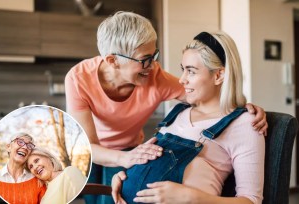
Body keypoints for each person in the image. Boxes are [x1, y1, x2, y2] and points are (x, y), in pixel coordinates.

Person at [64, 11, 267, 204]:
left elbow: (210, 98)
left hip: (130, 148)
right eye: (145, 60)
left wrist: (243, 107)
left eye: (154, 56)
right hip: (92, 149)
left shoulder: (156, 78)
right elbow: (88, 146)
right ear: (112, 61)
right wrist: (124, 167)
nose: (152, 66)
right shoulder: (79, 78)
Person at [112, 31, 265, 204]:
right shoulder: (177, 113)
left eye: (191, 71)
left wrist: (190, 197)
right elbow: (147, 160)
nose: (182, 80)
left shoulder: (245, 124)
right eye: (183, 70)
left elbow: (252, 201)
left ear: (219, 75)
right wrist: (126, 176)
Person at [0, 132, 46, 204]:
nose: (25, 147)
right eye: (20, 142)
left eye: (29, 146)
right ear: (8, 147)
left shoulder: (38, 181)